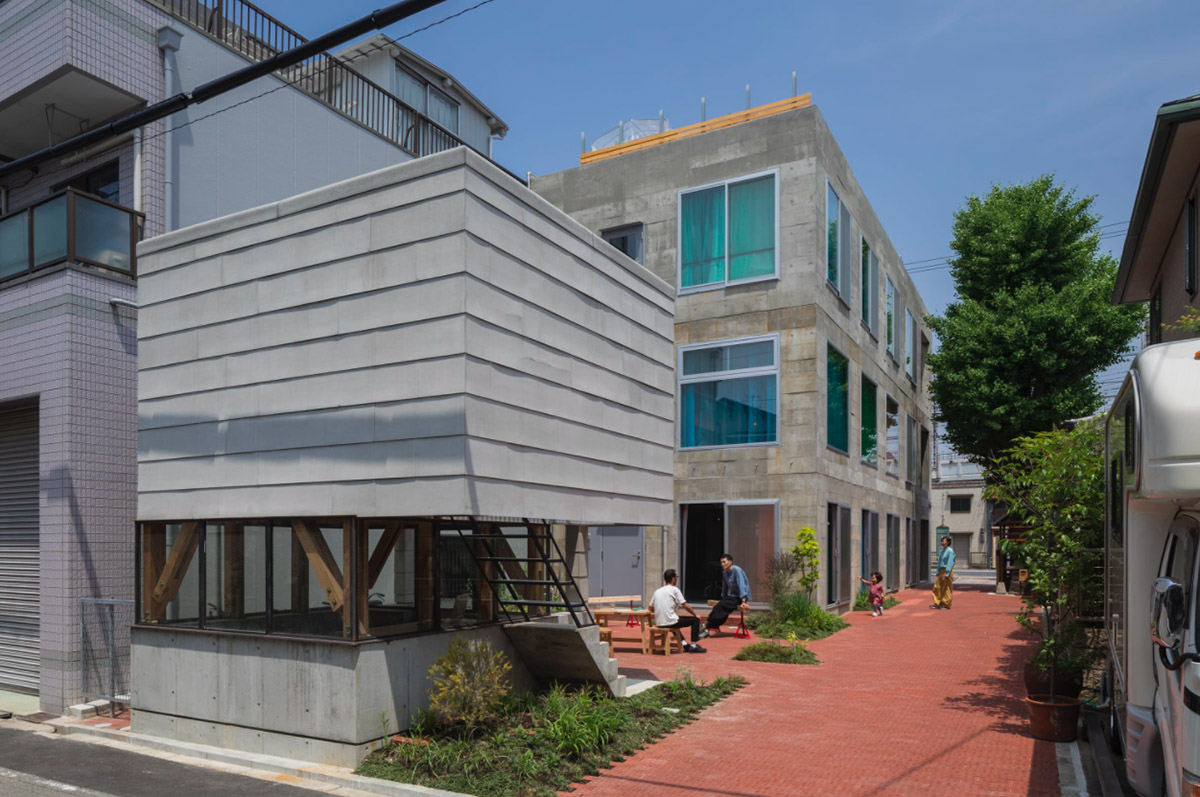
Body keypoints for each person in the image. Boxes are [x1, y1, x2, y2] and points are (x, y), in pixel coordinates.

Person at [649, 569, 706, 653]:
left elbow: (650, 608)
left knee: (675, 619)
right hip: (670, 621)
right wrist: (695, 614)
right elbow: (685, 605)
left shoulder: (657, 591)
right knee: (695, 620)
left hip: (659, 623)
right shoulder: (675, 590)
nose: (677, 579)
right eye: (677, 577)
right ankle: (694, 646)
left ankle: (685, 644)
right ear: (673, 578)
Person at [704, 553, 751, 635]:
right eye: (721, 562)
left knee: (721, 606)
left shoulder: (737, 570)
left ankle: (707, 624)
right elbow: (724, 587)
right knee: (720, 606)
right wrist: (723, 598)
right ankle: (712, 625)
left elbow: (742, 585)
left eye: (724, 562)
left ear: (730, 562)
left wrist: (743, 601)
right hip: (732, 597)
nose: (722, 564)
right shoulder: (725, 573)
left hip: (741, 596)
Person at [931, 536, 956, 610]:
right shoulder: (942, 551)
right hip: (942, 570)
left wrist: (947, 573)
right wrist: (938, 571)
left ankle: (946, 604)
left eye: (944, 541)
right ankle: (937, 603)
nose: (942, 543)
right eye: (941, 541)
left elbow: (950, 562)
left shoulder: (950, 551)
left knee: (946, 588)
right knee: (937, 587)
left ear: (948, 542)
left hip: (947, 570)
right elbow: (939, 562)